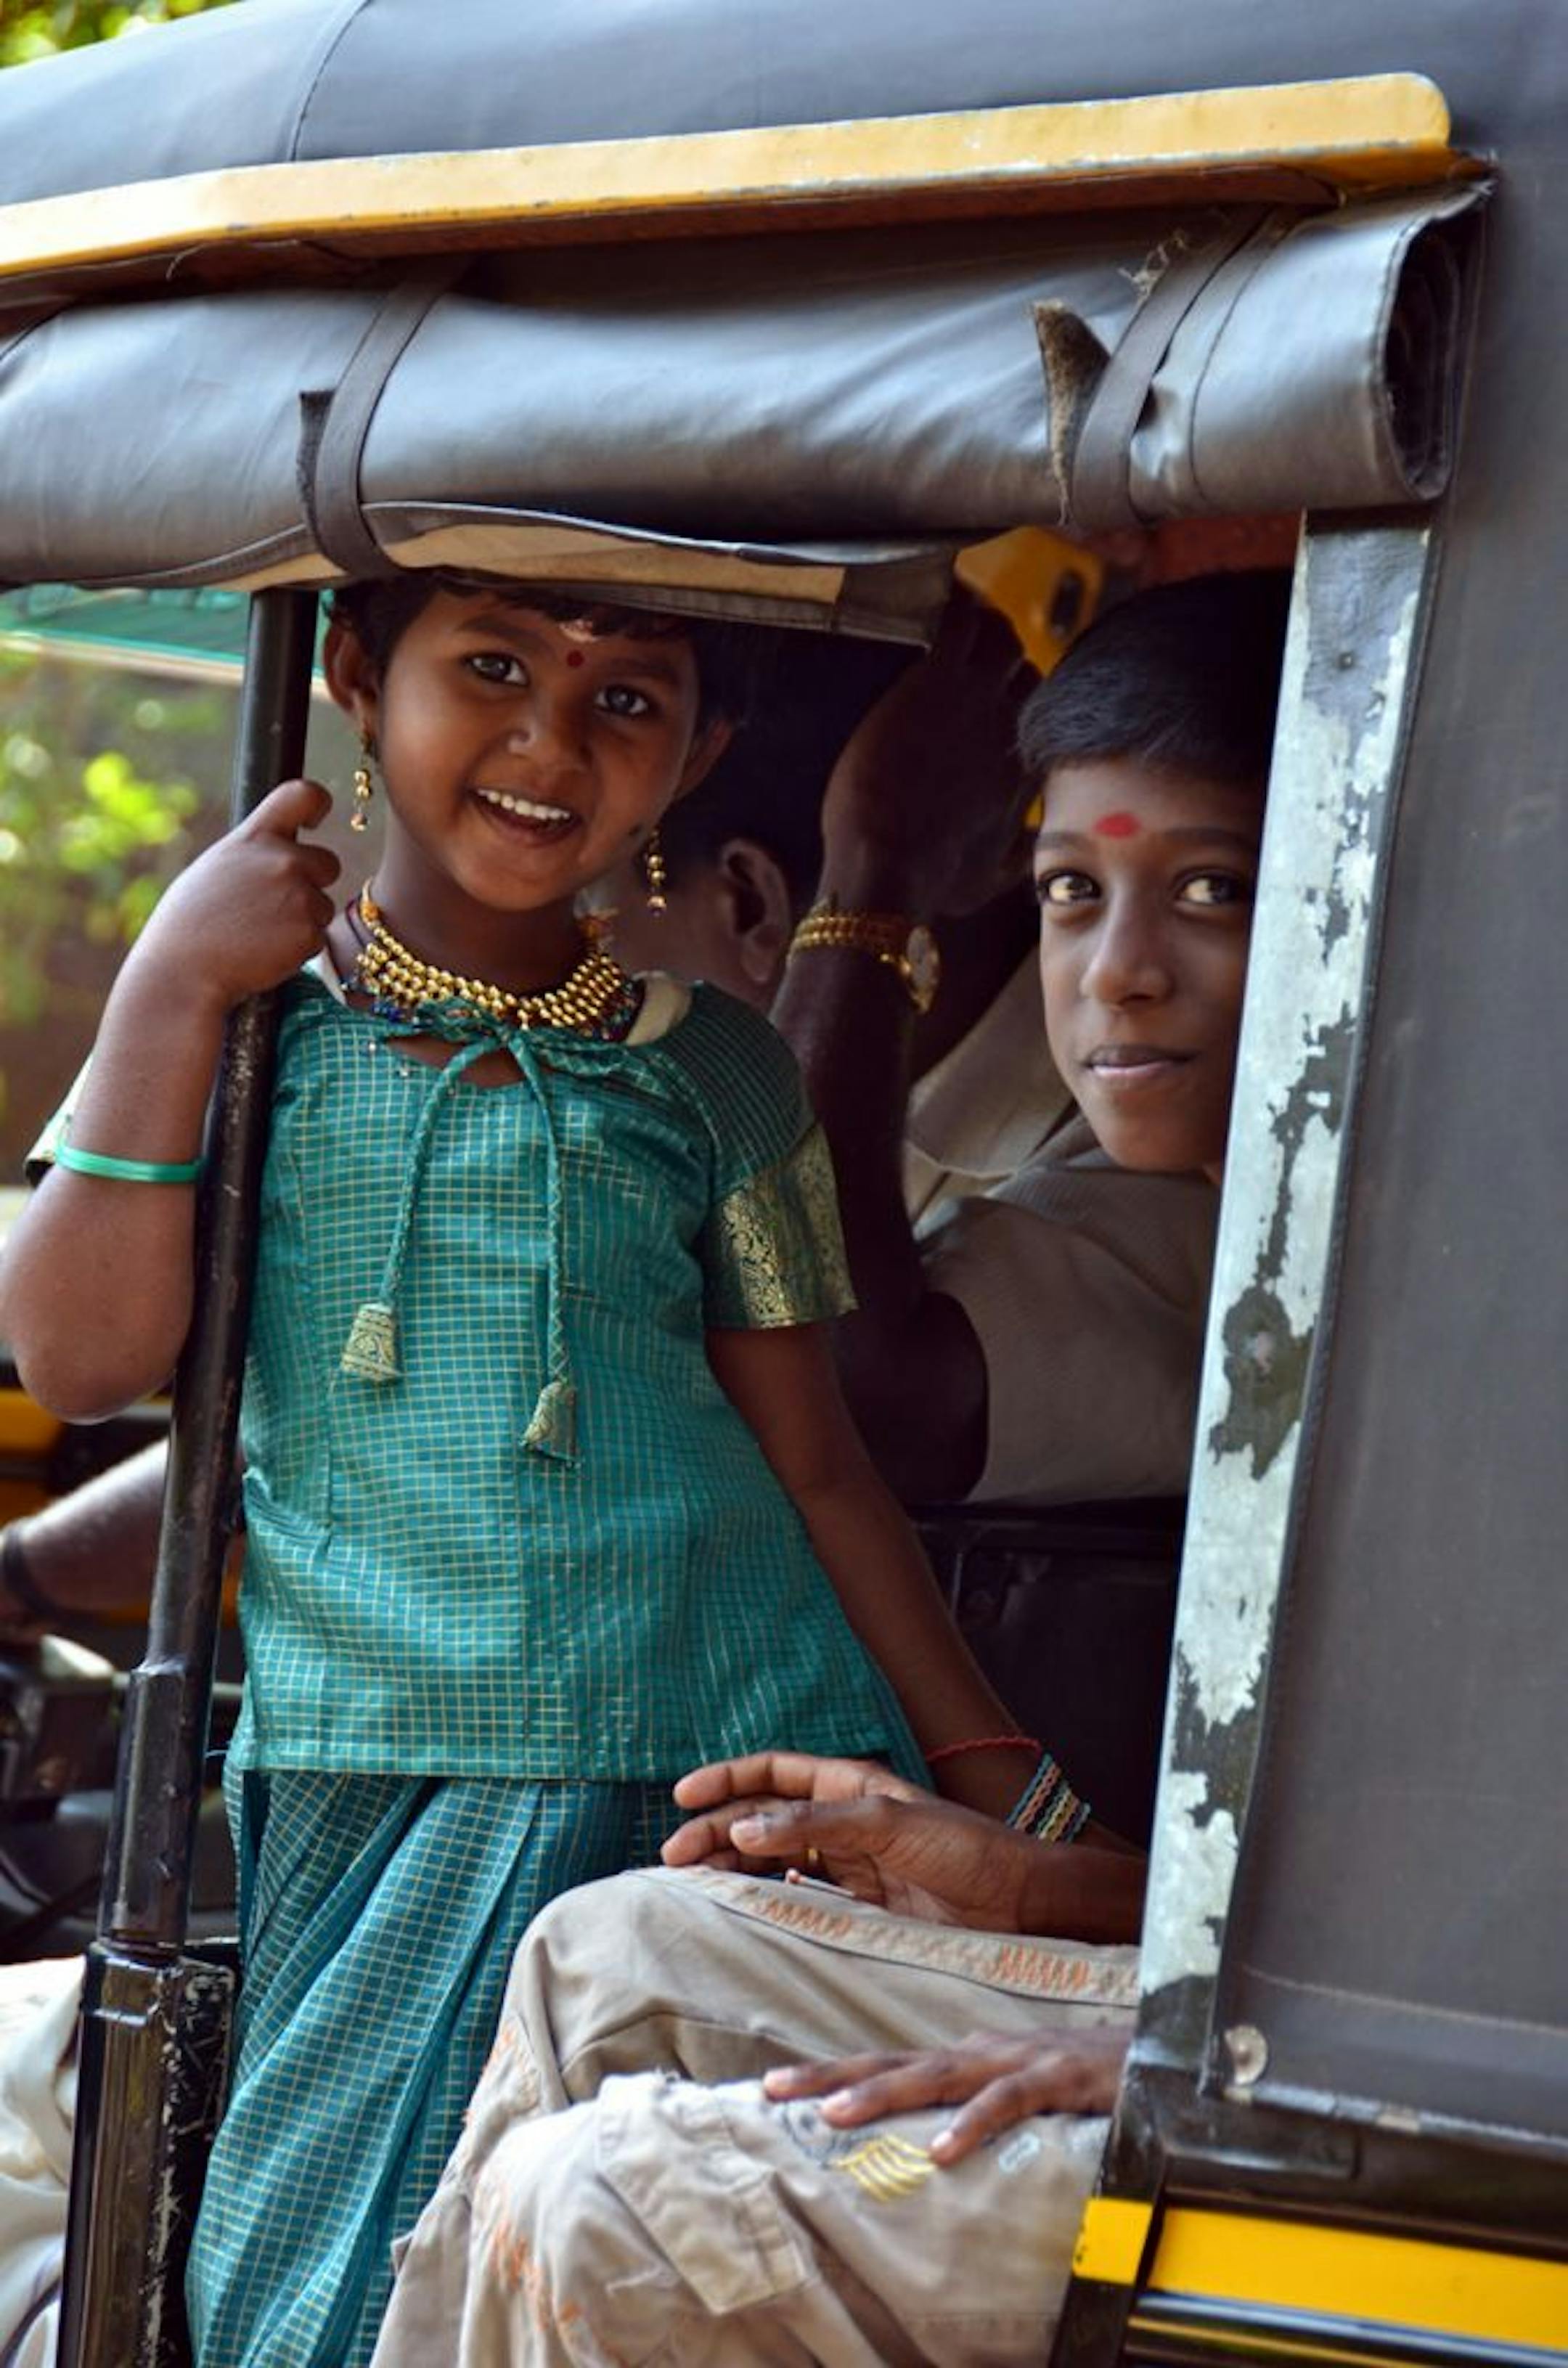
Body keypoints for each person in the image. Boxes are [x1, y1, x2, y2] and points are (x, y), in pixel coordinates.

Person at [0, 573, 1039, 2368]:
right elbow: (79, 1357)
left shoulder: (715, 1075)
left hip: (702, 1771)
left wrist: (993, 1775)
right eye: (489, 668)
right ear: (350, 675)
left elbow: (822, 1466)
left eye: (628, 701)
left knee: (550, 2274)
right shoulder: (249, 1032)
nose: (552, 743)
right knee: (293, 2288)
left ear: (697, 752)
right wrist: (170, 974)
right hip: (360, 1756)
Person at [365, 567, 1291, 2367]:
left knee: (605, 2197)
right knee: (606, 1943)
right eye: (1071, 896)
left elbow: (863, 1395)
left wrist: (1060, 1911)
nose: (1121, 968)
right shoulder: (1111, 1150)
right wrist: (1024, 1857)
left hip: (1332, 2061)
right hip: (1182, 1953)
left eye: (1219, 891)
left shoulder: (1385, 1277)